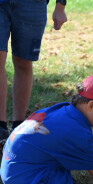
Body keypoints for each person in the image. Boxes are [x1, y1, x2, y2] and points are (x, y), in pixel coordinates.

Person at [0, 0, 67, 142]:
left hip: (32, 4)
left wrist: (60, 6)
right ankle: (0, 128)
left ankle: (18, 126)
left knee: (24, 61)